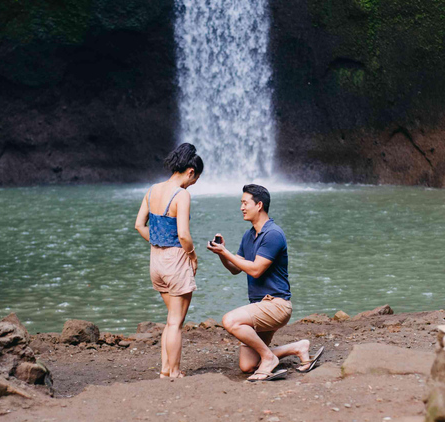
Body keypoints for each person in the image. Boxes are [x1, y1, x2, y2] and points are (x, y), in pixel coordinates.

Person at [207, 184, 323, 381]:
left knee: (230, 320)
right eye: (241, 203)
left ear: (259, 205)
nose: (241, 207)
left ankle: (269, 357)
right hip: (260, 306)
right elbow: (236, 269)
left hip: (276, 305)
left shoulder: (273, 234)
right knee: (247, 365)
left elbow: (255, 269)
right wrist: (221, 252)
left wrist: (225, 253)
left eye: (245, 203)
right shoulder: (248, 235)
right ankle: (297, 347)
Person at [135, 143, 203, 379]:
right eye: (194, 180)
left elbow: (139, 225)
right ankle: (173, 371)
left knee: (170, 319)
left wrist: (158, 242)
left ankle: (165, 369)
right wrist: (192, 255)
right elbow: (183, 234)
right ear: (190, 172)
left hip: (156, 260)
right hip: (176, 260)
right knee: (176, 321)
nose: (192, 185)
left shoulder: (153, 189)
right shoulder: (181, 194)